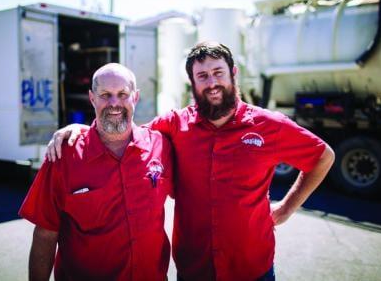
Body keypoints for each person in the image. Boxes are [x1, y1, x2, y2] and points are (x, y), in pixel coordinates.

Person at [46, 42, 335, 281]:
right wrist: (83, 130)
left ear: (233, 73)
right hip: (194, 270)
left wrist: (285, 209)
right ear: (192, 81)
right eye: (203, 76)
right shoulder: (174, 124)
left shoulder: (269, 125)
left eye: (218, 72)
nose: (212, 83)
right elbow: (126, 132)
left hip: (252, 268)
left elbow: (323, 157)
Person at [19, 63, 174, 281]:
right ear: (92, 98)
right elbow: (45, 234)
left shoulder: (161, 146)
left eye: (122, 94)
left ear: (135, 97)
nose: (114, 103)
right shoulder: (62, 156)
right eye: (105, 95)